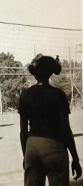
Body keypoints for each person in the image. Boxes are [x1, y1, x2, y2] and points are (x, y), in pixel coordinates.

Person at [18, 54, 82, 186]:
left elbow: (23, 131)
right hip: (55, 146)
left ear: (35, 74)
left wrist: (26, 155)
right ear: (50, 73)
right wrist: (75, 158)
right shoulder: (59, 95)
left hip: (32, 145)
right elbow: (66, 129)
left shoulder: (25, 95)